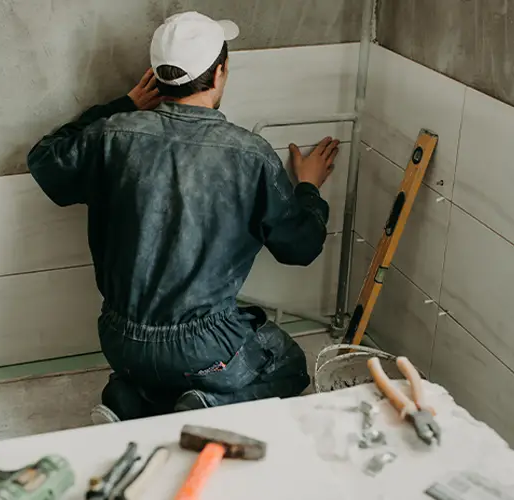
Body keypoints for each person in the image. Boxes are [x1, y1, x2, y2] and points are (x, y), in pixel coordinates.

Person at [26, 11, 340, 423]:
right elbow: (300, 247)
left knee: (162, 369)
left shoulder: (112, 135)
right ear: (222, 71)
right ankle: (209, 405)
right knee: (288, 363)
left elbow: (45, 161)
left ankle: (129, 400)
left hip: (120, 337)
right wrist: (308, 189)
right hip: (203, 347)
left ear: (157, 76)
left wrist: (123, 104)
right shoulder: (248, 155)